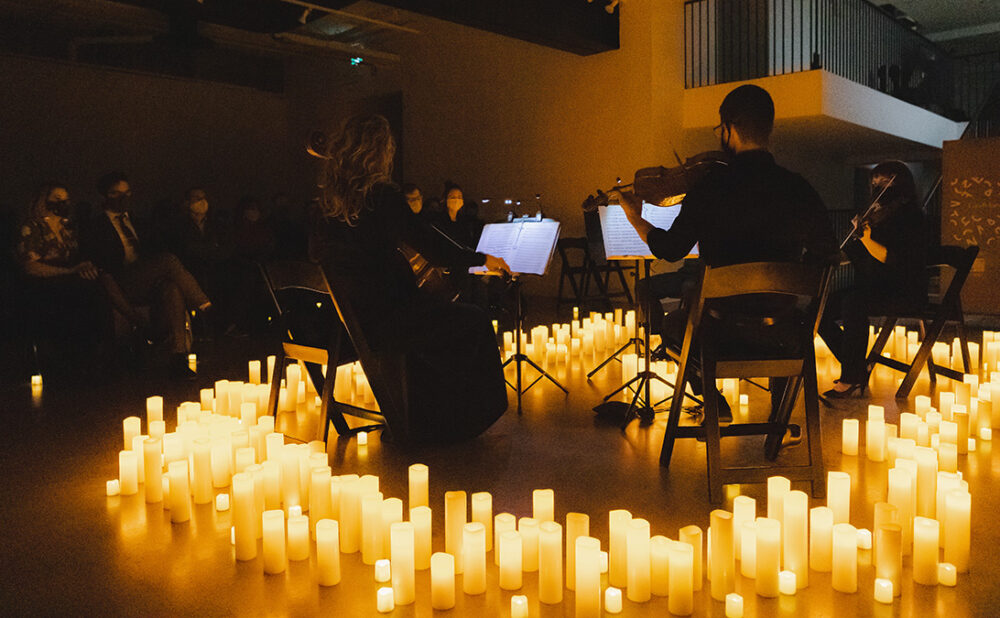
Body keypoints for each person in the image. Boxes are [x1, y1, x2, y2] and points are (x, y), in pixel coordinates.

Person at [614, 84, 838, 421]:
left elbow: (671, 250)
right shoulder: (799, 188)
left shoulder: (710, 188)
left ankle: (713, 400)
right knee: (774, 309)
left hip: (718, 333)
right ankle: (778, 423)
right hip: (784, 334)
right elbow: (828, 254)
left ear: (729, 129)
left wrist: (635, 218)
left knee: (675, 325)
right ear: (769, 129)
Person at [309, 114, 511, 443]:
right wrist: (481, 258)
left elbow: (317, 254)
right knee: (473, 320)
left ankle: (424, 414)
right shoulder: (381, 196)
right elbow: (430, 244)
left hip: (353, 322)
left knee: (446, 318)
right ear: (380, 152)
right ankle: (460, 422)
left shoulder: (326, 204)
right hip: (391, 318)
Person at [80, 172, 212, 379]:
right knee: (168, 260)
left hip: (145, 276)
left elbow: (155, 247)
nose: (122, 198)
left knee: (172, 287)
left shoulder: (139, 222)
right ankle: (202, 303)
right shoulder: (95, 226)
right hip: (118, 278)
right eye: (115, 193)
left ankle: (178, 355)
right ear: (104, 196)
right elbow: (99, 260)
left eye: (126, 193)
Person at [818, 161, 928, 398]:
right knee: (820, 308)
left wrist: (867, 239)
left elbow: (895, 260)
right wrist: (830, 255)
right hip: (875, 286)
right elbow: (856, 255)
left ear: (902, 186)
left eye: (884, 182)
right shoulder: (879, 217)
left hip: (903, 289)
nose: (878, 187)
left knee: (853, 302)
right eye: (874, 183)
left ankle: (850, 376)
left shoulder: (913, 219)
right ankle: (857, 368)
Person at [15, 183, 111, 375]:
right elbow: (30, 266)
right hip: (45, 281)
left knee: (97, 284)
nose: (63, 204)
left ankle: (98, 352)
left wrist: (84, 267)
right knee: (80, 292)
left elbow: (76, 257)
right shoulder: (33, 227)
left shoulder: (68, 227)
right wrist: (68, 272)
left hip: (70, 277)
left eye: (66, 200)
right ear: (45, 200)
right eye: (58, 199)